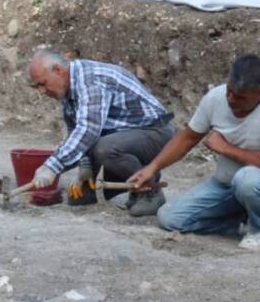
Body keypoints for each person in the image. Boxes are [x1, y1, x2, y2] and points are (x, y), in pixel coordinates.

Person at [129, 55, 260, 251]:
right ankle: (237, 220)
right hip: (225, 184)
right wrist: (152, 168)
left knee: (247, 178)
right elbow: (188, 138)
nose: (231, 99)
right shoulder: (215, 97)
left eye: (240, 97)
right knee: (170, 218)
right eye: (229, 92)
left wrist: (224, 148)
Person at [27, 48, 175, 215]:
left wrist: (52, 167)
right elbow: (75, 129)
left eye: (42, 83)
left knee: (104, 149)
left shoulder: (90, 81)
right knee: (80, 199)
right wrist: (85, 166)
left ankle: (149, 191)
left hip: (154, 132)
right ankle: (129, 186)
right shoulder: (68, 88)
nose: (41, 91)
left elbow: (89, 129)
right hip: (120, 136)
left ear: (58, 70)